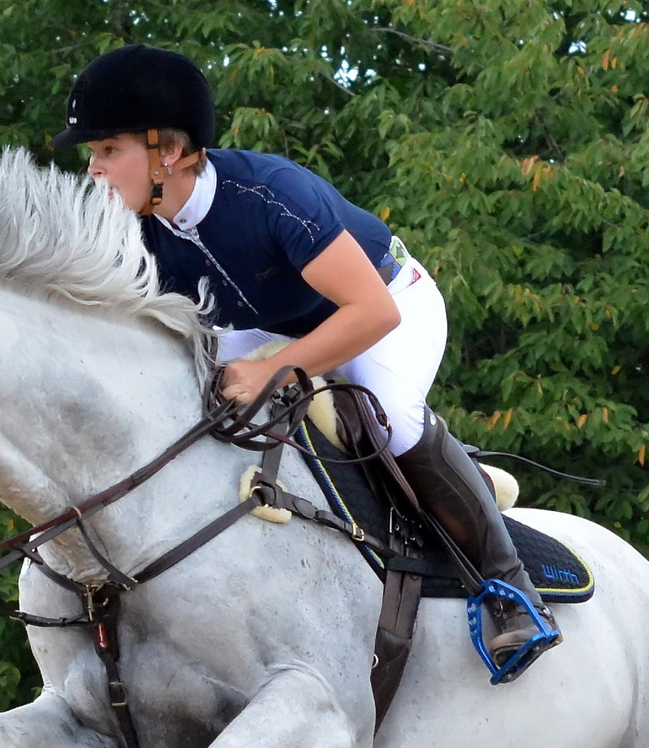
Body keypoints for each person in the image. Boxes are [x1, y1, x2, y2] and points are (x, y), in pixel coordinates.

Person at [50, 44, 558, 672]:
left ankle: (510, 590)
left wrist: (273, 368)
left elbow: (372, 314)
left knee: (390, 416)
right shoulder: (135, 229)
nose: (94, 171)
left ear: (169, 152)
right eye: (92, 155)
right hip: (268, 328)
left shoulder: (269, 194)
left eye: (107, 151)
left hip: (386, 306)